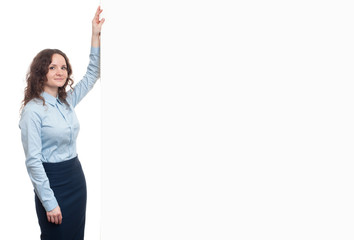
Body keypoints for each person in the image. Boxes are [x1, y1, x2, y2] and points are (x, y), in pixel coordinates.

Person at [19, 6, 105, 240]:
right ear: (41, 72)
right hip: (52, 182)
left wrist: (95, 35)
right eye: (52, 67)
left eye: (63, 67)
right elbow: (33, 162)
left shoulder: (66, 102)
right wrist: (49, 202)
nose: (60, 71)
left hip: (76, 179)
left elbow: (93, 73)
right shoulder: (32, 111)